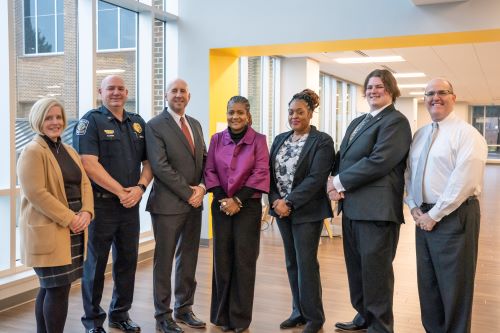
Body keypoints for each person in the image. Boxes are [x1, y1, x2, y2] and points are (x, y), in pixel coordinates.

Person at [328, 69, 412, 332]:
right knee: (357, 269)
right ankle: (363, 316)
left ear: (391, 90)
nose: (374, 91)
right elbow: (342, 156)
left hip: (377, 211)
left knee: (376, 272)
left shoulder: (396, 122)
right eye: (370, 87)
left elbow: (379, 161)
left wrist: (339, 182)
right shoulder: (359, 122)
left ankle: (380, 326)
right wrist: (330, 180)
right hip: (352, 207)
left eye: (380, 86)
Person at [405, 78, 487, 333]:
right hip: (424, 215)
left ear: (453, 97)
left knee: (455, 285)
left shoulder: (467, 134)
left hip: (455, 215)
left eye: (442, 92)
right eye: (430, 93)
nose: (435, 98)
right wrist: (413, 204)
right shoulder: (421, 135)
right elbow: (409, 172)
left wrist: (435, 214)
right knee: (428, 283)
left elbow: (464, 180)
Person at [73, 75, 153, 333]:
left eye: (120, 88)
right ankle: (93, 321)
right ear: (101, 92)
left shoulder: (137, 123)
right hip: (102, 206)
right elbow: (88, 163)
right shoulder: (90, 121)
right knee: (96, 265)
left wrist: (139, 188)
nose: (116, 93)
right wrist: (121, 192)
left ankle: (120, 314)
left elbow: (149, 162)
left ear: (127, 92)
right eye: (111, 88)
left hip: (130, 206)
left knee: (128, 261)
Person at [18, 97, 94, 333]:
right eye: (49, 118)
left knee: (52, 287)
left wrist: (87, 212)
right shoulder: (32, 151)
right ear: (38, 121)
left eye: (58, 117)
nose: (55, 122)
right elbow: (37, 194)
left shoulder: (68, 149)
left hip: (73, 228)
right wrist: (71, 218)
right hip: (51, 229)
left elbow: (84, 184)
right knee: (57, 288)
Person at [269, 89, 334, 333]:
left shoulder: (322, 141)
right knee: (292, 262)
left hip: (307, 211)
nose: (294, 116)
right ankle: (298, 311)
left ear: (310, 113)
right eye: (291, 112)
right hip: (282, 211)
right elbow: (270, 175)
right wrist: (276, 201)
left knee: (306, 263)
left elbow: (317, 178)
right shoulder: (280, 139)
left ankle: (314, 318)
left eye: (300, 112)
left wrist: (290, 202)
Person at [145, 78, 207, 333]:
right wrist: (188, 192)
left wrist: (202, 188)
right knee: (165, 260)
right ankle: (163, 314)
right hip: (168, 205)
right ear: (166, 95)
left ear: (189, 97)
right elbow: (160, 166)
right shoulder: (155, 125)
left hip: (194, 204)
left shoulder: (195, 124)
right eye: (174, 91)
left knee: (189, 258)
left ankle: (184, 308)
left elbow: (205, 159)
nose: (179, 95)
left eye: (183, 91)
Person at [204, 96, 270, 333]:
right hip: (221, 206)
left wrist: (238, 200)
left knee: (244, 262)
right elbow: (209, 170)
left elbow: (261, 172)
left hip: (247, 207)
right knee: (221, 261)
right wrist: (224, 199)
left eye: (240, 112)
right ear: (227, 113)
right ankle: (222, 317)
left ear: (248, 115)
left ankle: (240, 320)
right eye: (231, 112)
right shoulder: (216, 139)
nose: (235, 117)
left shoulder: (259, 141)